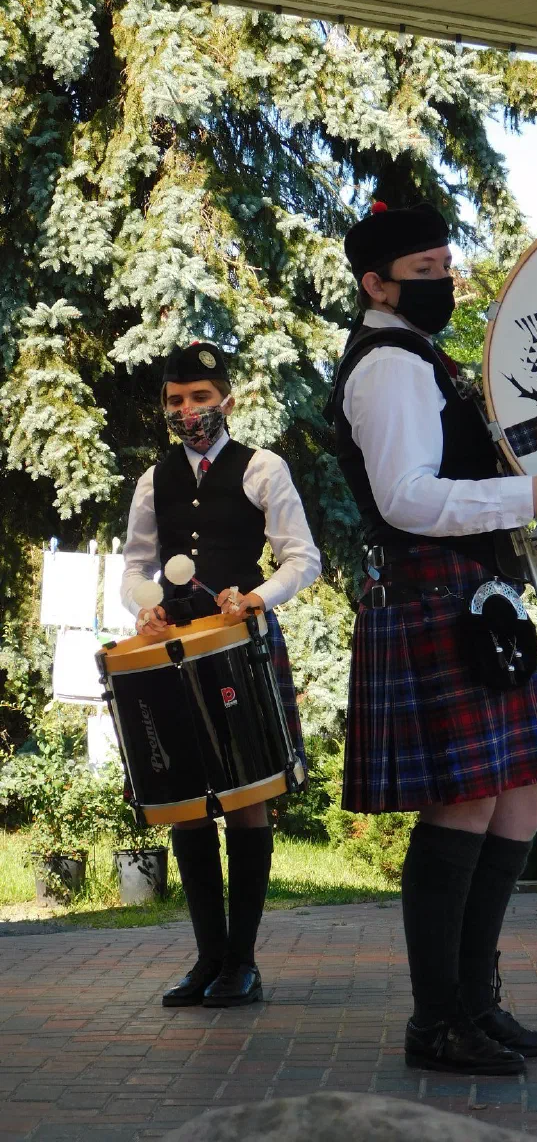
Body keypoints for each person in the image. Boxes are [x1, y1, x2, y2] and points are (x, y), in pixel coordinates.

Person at [329, 201, 537, 1076]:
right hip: (429, 591)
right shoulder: (389, 367)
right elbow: (406, 497)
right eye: (424, 273)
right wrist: (526, 498)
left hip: (472, 592)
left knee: (518, 794)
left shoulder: (420, 356)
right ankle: (436, 1021)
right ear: (375, 284)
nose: (442, 283)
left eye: (447, 266)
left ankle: (477, 1001)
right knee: (469, 800)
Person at [121, 340, 321, 1007]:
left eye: (200, 398)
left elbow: (303, 559)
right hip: (175, 649)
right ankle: (208, 959)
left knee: (244, 795)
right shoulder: (155, 480)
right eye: (176, 401)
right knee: (185, 796)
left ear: (226, 401)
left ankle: (244, 961)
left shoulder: (263, 468)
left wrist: (257, 597)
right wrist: (145, 609)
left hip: (240, 642)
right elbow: (135, 566)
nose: (188, 410)